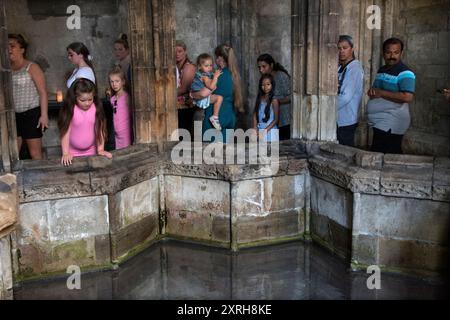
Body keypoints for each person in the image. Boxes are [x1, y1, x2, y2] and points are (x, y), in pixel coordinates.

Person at [367, 38, 416, 154]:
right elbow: (376, 90)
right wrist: (372, 93)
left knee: (387, 154)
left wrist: (381, 93)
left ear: (401, 53)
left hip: (392, 122)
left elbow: (407, 97)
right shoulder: (382, 69)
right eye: (388, 52)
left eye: (396, 52)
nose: (392, 56)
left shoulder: (405, 73)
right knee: (380, 152)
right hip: (380, 121)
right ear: (383, 53)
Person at [192, 44, 244, 143]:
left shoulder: (217, 76)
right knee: (226, 153)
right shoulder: (234, 75)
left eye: (216, 57)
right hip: (230, 116)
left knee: (210, 154)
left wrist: (192, 95)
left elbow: (203, 94)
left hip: (216, 118)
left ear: (220, 58)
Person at [8, 33, 49, 160]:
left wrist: (44, 115)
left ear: (22, 50)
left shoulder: (31, 67)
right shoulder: (6, 69)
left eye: (12, 46)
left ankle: (41, 179)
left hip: (31, 114)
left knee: (35, 154)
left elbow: (43, 92)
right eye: (5, 46)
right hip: (14, 116)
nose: (8, 49)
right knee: (13, 155)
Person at [58, 78, 112, 166]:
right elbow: (65, 132)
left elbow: (100, 129)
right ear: (75, 97)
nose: (87, 103)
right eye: (82, 100)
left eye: (90, 99)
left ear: (93, 96)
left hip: (92, 150)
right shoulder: (71, 109)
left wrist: (100, 149)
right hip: (72, 153)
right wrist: (65, 153)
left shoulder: (96, 108)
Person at [336, 35, 364, 147]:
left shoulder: (354, 69)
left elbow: (345, 97)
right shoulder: (340, 68)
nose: (341, 51)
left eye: (345, 47)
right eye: (338, 48)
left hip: (346, 120)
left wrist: (325, 108)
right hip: (338, 119)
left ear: (352, 49)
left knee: (343, 152)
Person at [257, 54, 291, 140]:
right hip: (268, 121)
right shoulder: (263, 79)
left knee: (283, 147)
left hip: (283, 119)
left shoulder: (281, 76)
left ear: (271, 65)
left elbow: (291, 97)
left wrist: (275, 102)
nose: (261, 70)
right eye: (259, 67)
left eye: (264, 66)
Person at [191, 53, 223, 130]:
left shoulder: (207, 74)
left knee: (219, 98)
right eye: (206, 66)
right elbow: (211, 86)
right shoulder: (204, 76)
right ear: (199, 66)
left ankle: (214, 117)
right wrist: (215, 77)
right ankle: (214, 117)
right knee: (219, 98)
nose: (209, 68)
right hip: (201, 98)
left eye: (211, 65)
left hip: (203, 96)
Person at [108, 66, 133, 150]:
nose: (114, 84)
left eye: (117, 81)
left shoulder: (126, 97)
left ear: (123, 82)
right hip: (117, 133)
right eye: (112, 82)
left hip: (126, 133)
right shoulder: (112, 99)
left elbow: (131, 114)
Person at [253, 74, 279, 142]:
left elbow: (275, 120)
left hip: (270, 130)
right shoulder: (260, 98)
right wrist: (255, 127)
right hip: (260, 130)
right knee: (261, 151)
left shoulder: (274, 100)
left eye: (268, 84)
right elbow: (255, 113)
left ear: (272, 85)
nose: (265, 87)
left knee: (272, 152)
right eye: (263, 85)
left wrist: (265, 131)